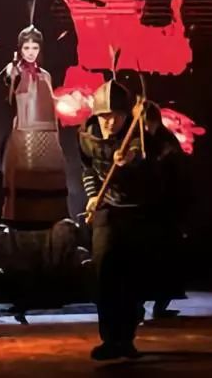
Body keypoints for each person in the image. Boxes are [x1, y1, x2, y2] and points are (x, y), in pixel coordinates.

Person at [79, 78, 154, 360]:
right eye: (105, 117)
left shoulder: (137, 135)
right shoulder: (86, 137)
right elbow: (87, 168)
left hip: (135, 212)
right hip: (106, 210)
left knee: (132, 277)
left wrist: (131, 156)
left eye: (117, 116)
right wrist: (92, 195)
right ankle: (110, 340)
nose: (111, 123)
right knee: (105, 274)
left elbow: (143, 155)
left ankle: (127, 339)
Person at [0, 24, 69, 229]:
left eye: (35, 48)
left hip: (47, 134)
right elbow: (8, 86)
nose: (31, 52)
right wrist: (12, 72)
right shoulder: (15, 71)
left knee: (49, 180)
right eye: (27, 48)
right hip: (24, 133)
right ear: (20, 49)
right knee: (24, 182)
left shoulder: (45, 75)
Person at [142, 101, 188, 319]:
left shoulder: (165, 140)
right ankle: (142, 305)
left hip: (164, 207)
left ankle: (160, 305)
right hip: (149, 207)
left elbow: (176, 174)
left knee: (165, 257)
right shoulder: (141, 139)